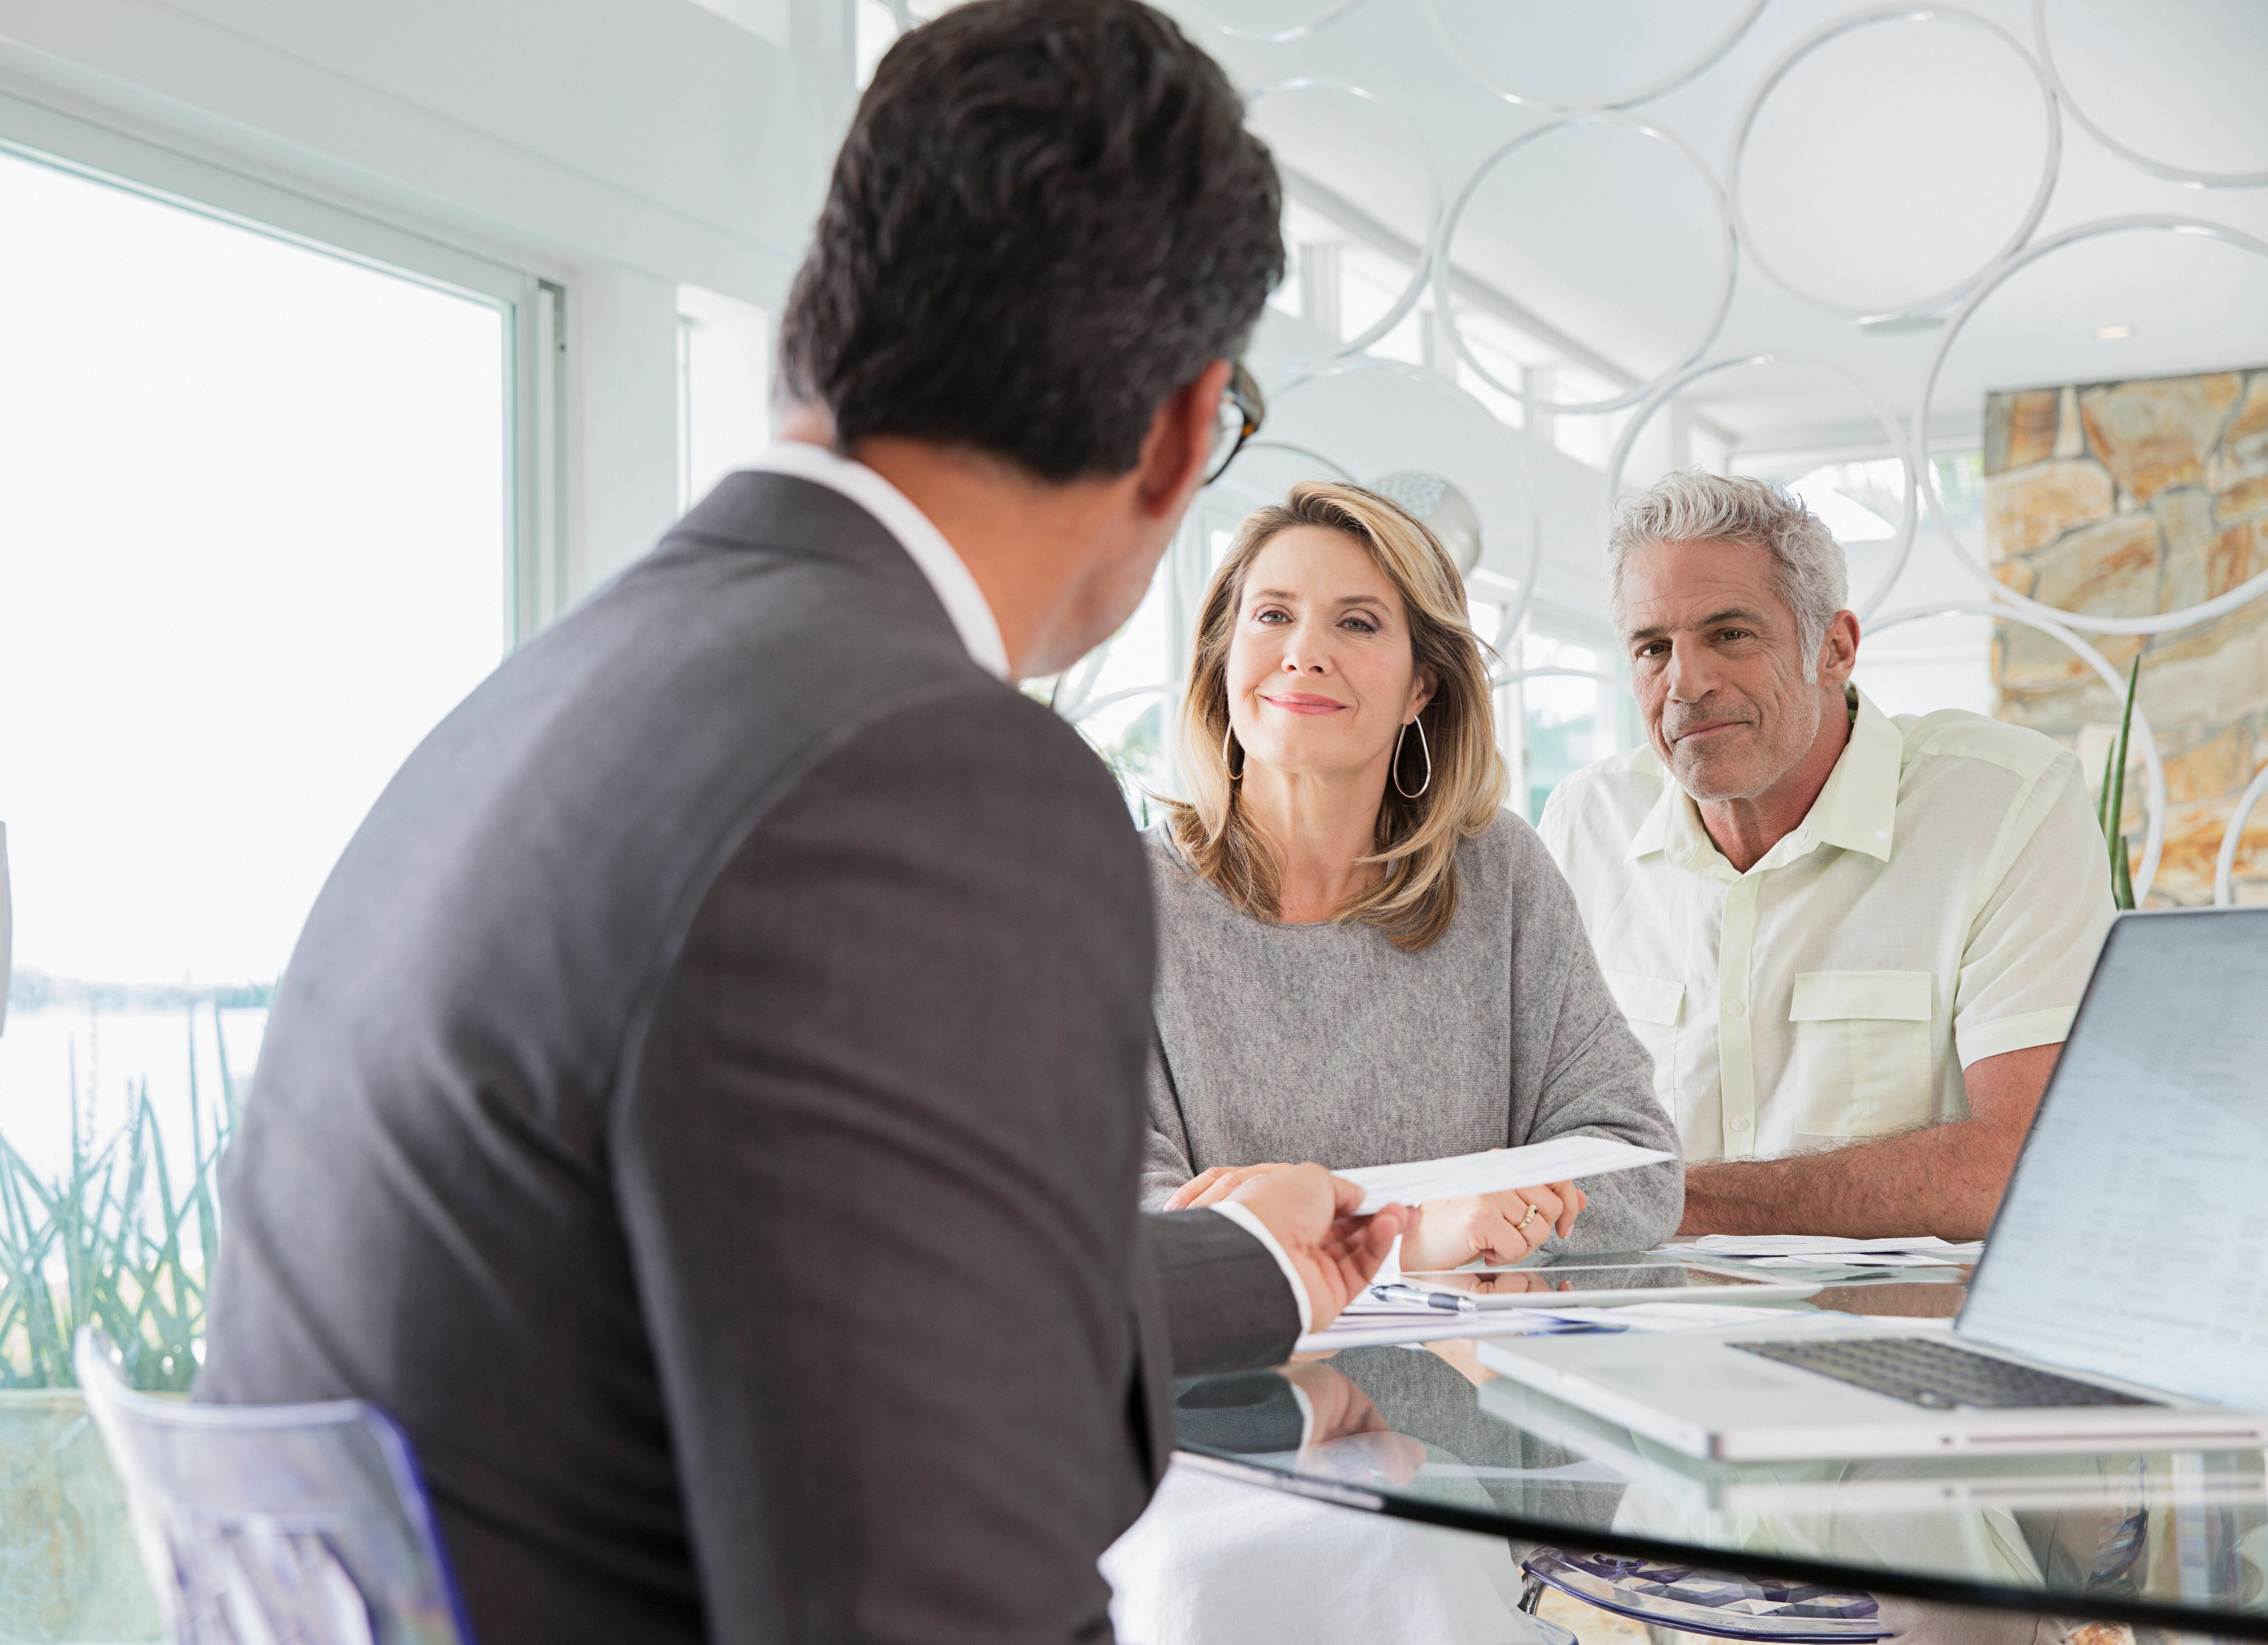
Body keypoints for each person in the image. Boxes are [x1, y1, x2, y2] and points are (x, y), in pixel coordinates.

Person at [196, 6, 1408, 1643]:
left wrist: (1244, 1269)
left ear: (814, 328)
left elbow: (788, 1282)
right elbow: (925, 1597)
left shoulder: (550, 700)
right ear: (1186, 431)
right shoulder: (927, 770)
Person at [1539, 472, 2114, 1240]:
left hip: (1895, 1343)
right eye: (1653, 648)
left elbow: (2027, 1161)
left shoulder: (2006, 805)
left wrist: (1664, 1200)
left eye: (1731, 634)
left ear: (1835, 649)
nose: (1688, 683)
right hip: (1629, 1333)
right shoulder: (1585, 824)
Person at [1139, 482, 1682, 1266]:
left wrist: (1300, 1224)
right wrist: (1413, 1234)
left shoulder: (1501, 874)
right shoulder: (1121, 895)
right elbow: (1117, 1211)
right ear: (1224, 656)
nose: (1303, 653)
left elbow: (1637, 1164)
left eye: (1356, 623)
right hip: (1223, 1386)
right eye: (1272, 615)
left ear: (1420, 688)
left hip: (1467, 1382)